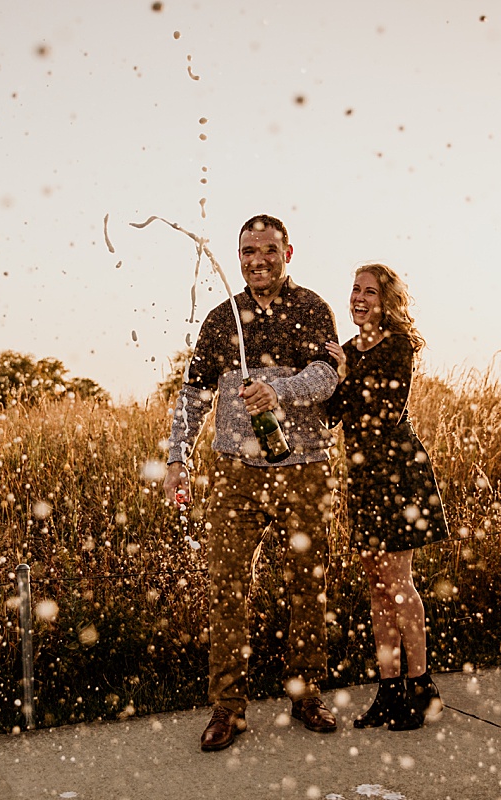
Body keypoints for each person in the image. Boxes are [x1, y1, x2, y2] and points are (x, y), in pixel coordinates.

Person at [164, 214, 341, 752]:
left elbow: (327, 376)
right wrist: (177, 457)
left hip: (305, 469)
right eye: (248, 251)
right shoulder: (223, 317)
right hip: (234, 474)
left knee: (307, 584)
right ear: (238, 256)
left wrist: (279, 391)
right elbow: (195, 393)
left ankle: (307, 694)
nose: (257, 260)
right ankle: (228, 708)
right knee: (227, 589)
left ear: (288, 253)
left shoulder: (311, 308)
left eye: (268, 250)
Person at [324, 262, 450, 731]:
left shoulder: (398, 346)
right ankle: (389, 689)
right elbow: (333, 414)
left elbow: (384, 411)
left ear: (387, 301)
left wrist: (344, 373)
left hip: (397, 473)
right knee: (377, 587)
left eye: (370, 292)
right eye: (355, 289)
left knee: (399, 583)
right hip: (363, 477)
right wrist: (332, 373)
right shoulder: (347, 351)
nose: (359, 298)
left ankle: (421, 686)